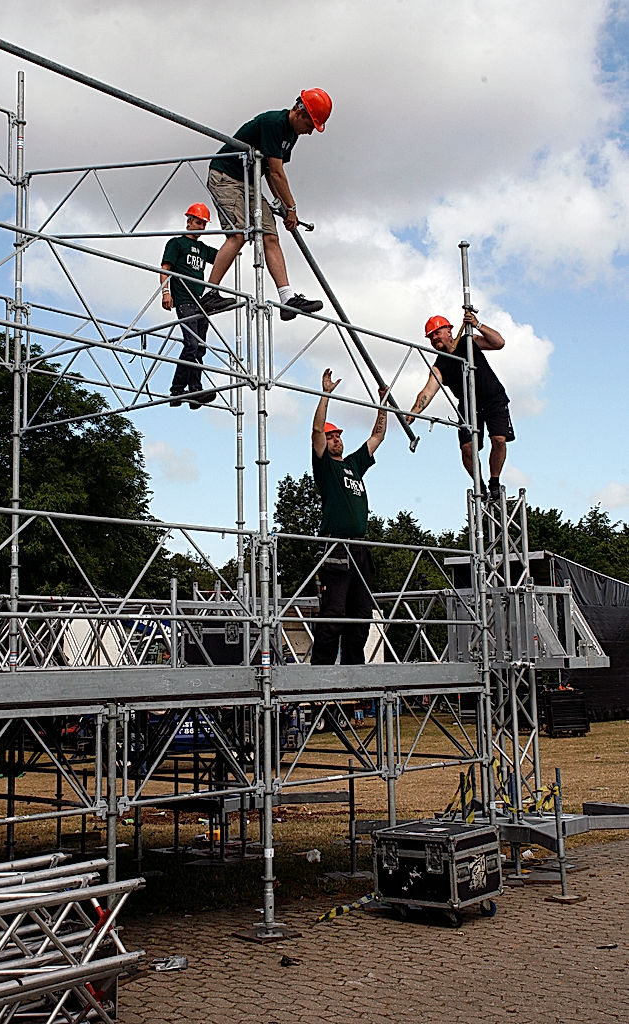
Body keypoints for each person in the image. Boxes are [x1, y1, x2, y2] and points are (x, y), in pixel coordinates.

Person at [201, 89, 333, 320]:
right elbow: (277, 172)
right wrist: (290, 208)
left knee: (271, 236)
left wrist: (283, 208)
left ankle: (287, 299)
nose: (311, 131)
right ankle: (210, 294)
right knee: (238, 234)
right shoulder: (274, 123)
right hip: (226, 176)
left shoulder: (291, 134)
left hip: (250, 182)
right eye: (311, 124)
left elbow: (272, 175)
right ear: (300, 112)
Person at [311, 368, 388, 665]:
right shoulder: (325, 468)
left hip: (360, 547)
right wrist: (326, 395)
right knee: (334, 615)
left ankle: (353, 676)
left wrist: (382, 403)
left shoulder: (354, 464)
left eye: (337, 436)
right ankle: (321, 677)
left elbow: (377, 436)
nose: (335, 440)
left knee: (361, 615)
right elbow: (316, 432)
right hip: (336, 547)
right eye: (330, 438)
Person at [407, 309, 514, 500]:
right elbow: (427, 391)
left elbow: (499, 343)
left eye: (437, 333)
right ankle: (479, 484)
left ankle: (494, 482)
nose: (434, 339)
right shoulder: (440, 365)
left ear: (449, 331)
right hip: (468, 407)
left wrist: (477, 324)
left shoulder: (468, 341)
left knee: (499, 439)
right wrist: (414, 412)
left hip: (493, 398)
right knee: (467, 449)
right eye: (431, 337)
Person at [160, 202, 218, 407]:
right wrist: (166, 292)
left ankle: (191, 391)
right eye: (198, 222)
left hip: (200, 301)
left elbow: (223, 256)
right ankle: (184, 389)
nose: (201, 227)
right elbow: (165, 268)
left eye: (204, 224)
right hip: (184, 300)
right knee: (192, 344)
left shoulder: (203, 249)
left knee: (199, 347)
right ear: (189, 222)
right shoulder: (177, 243)